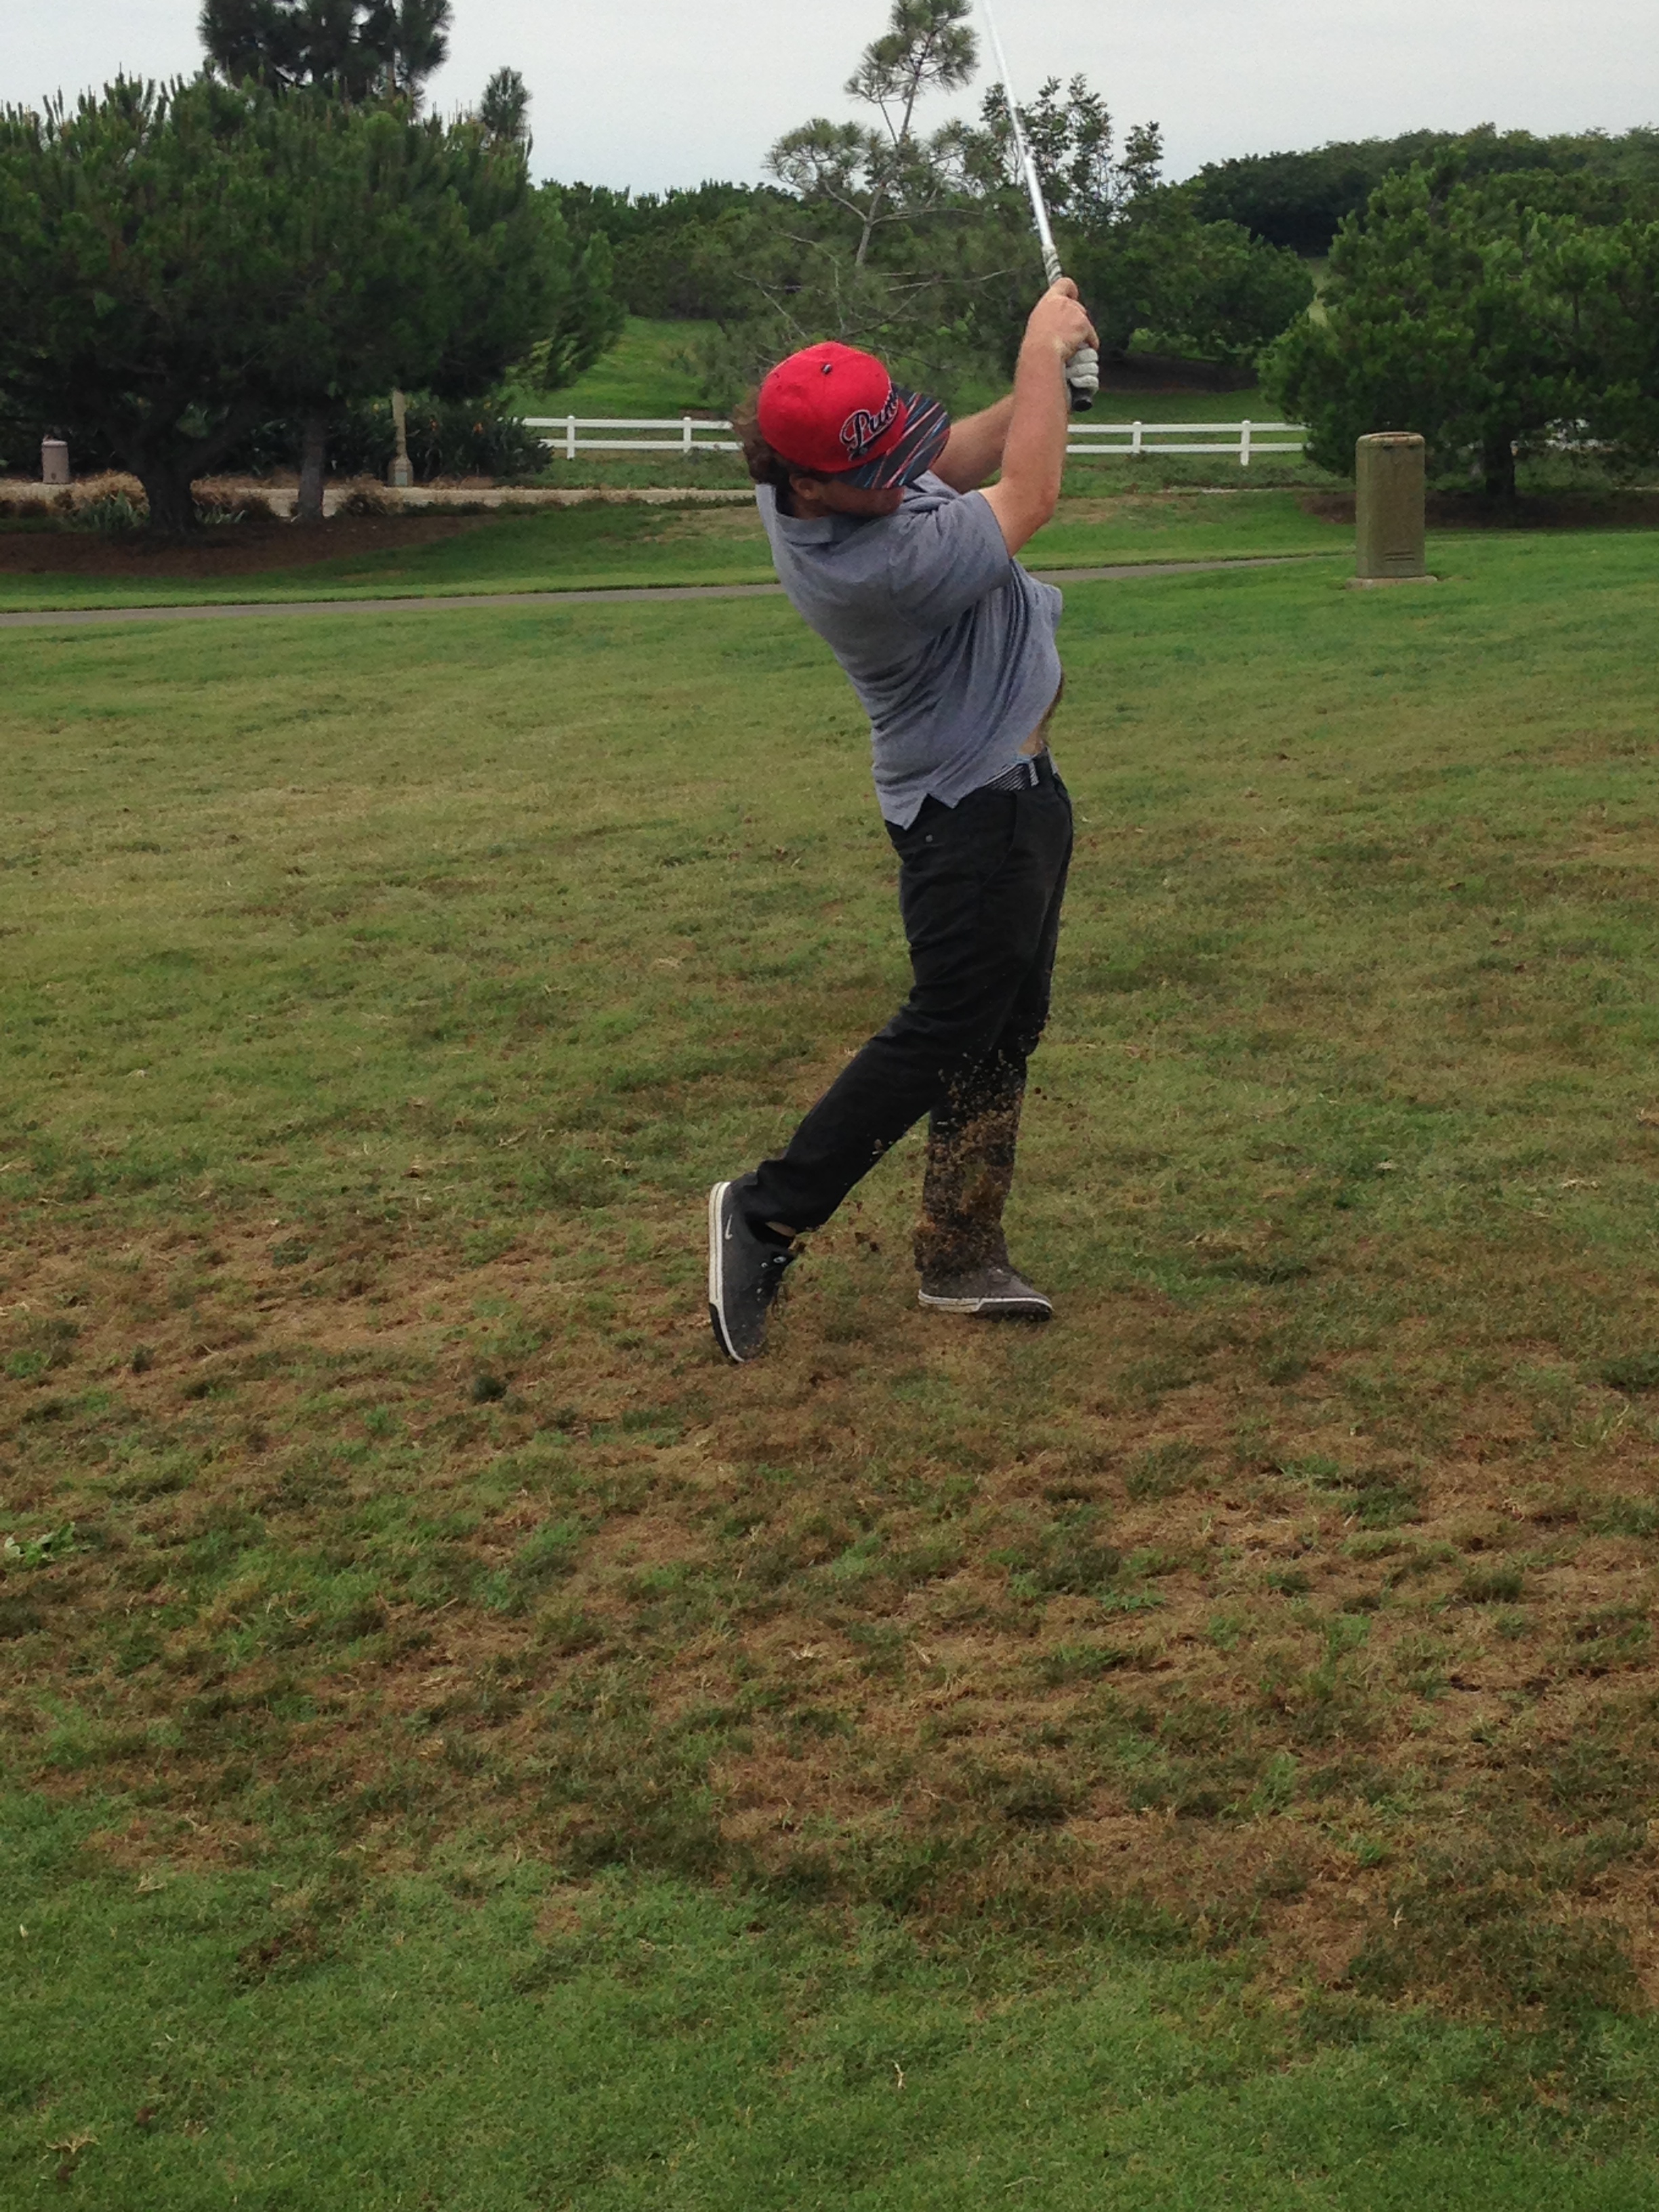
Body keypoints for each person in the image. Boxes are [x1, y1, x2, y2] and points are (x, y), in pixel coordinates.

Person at [707, 278, 1099, 1364]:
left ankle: (960, 1251)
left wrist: (1048, 389)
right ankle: (765, 1214)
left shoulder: (831, 488)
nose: (904, 480)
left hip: (1012, 800)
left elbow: (957, 457)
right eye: (877, 471)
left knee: (998, 1031)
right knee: (945, 1030)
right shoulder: (883, 566)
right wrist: (1040, 347)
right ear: (807, 481)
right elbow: (1029, 495)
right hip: (973, 816)